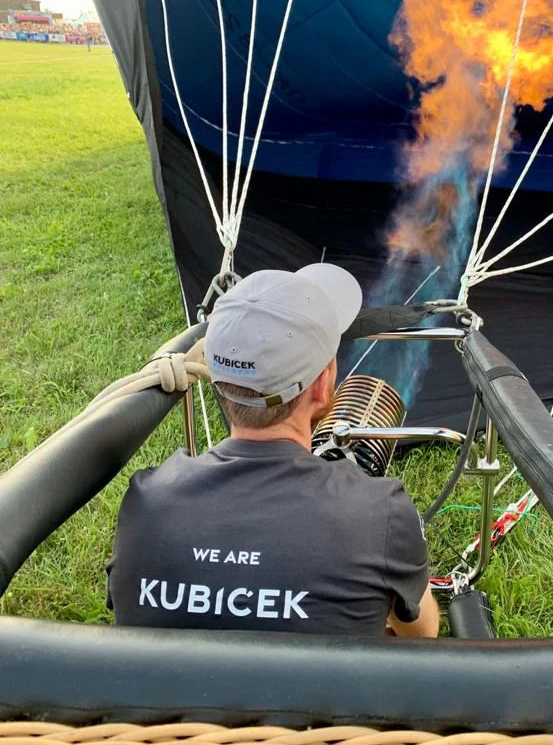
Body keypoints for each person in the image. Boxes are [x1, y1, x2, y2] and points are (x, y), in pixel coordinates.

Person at [107, 264, 439, 637]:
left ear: (218, 382)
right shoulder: (381, 512)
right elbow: (421, 635)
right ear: (322, 387)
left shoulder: (146, 502)